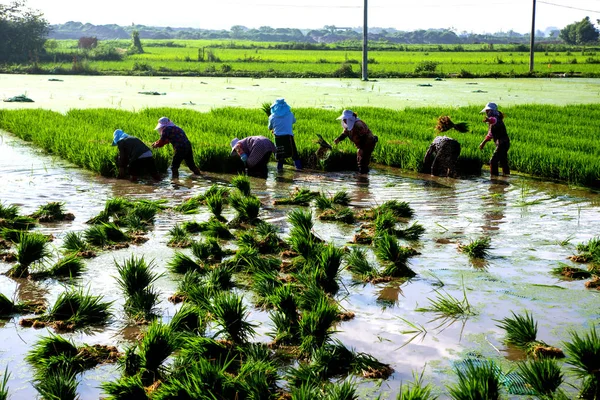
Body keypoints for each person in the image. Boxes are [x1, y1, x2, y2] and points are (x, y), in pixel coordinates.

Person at [333, 110, 378, 174]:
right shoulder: (349, 125)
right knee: (360, 160)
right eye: (343, 119)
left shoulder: (358, 125)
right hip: (361, 145)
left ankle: (363, 178)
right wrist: (338, 139)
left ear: (350, 118)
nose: (344, 121)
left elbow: (365, 136)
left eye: (345, 119)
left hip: (368, 143)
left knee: (363, 161)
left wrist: (361, 149)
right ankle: (363, 176)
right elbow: (345, 133)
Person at [268, 98, 302, 171]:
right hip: (289, 137)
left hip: (278, 138)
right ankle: (299, 170)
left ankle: (279, 173)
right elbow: (294, 121)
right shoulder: (290, 114)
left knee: (280, 157)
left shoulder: (272, 117)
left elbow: (270, 127)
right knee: (294, 155)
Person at [479, 102, 510, 176]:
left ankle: (494, 179)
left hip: (502, 144)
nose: (486, 112)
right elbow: (490, 134)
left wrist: (489, 120)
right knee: (503, 161)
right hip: (505, 143)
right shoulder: (497, 118)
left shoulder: (495, 118)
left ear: (491, 111)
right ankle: (506, 176)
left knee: (493, 161)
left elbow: (493, 120)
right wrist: (483, 143)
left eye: (487, 111)